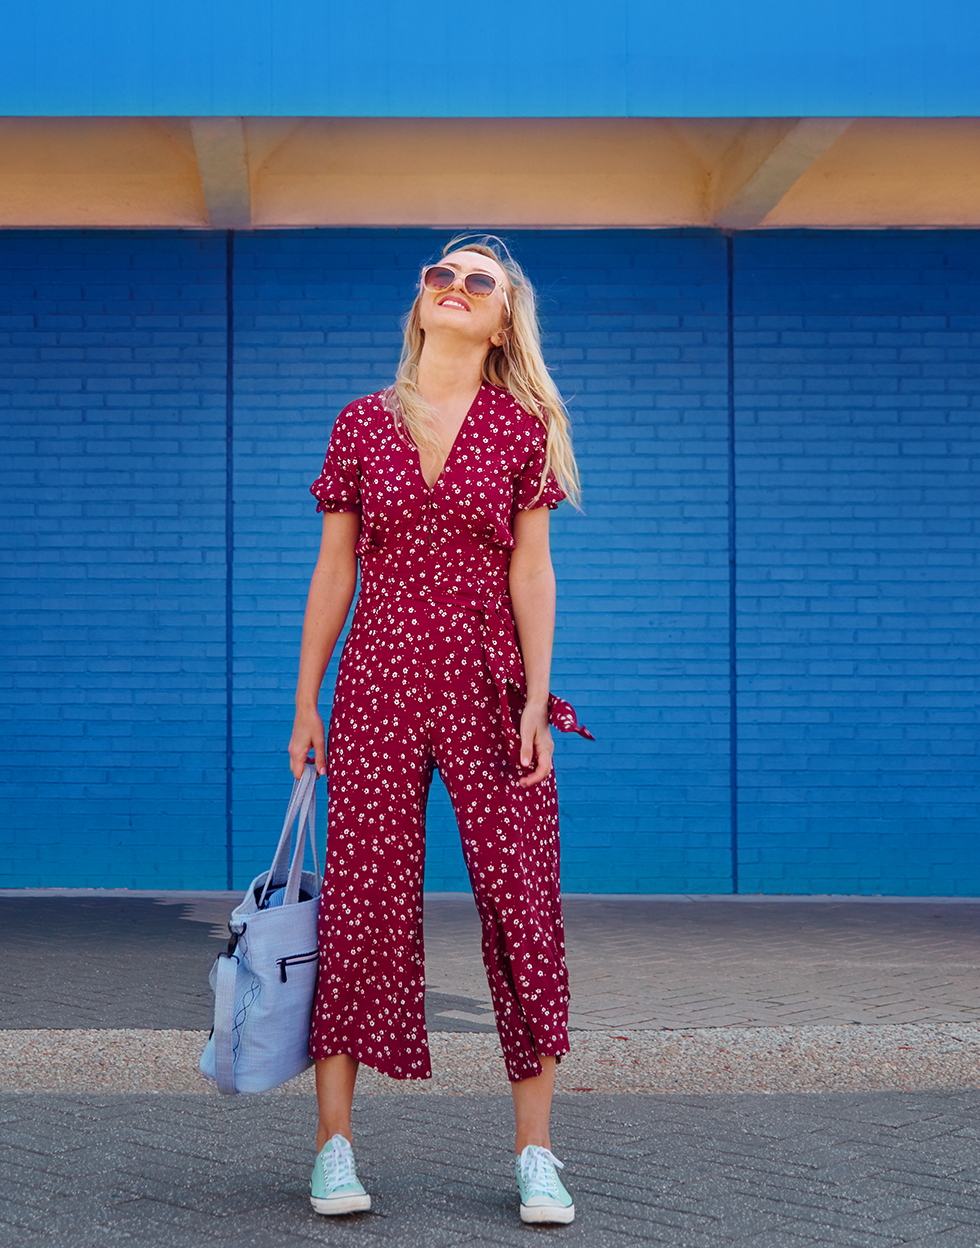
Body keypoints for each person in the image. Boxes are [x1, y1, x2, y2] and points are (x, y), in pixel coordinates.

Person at [286, 234, 593, 1225]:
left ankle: (536, 1154)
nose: (455, 289)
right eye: (441, 275)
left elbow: (531, 573)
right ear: (418, 302)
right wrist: (307, 698)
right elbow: (335, 570)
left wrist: (538, 701)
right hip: (374, 684)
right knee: (360, 903)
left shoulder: (520, 426)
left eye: (478, 281)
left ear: (503, 317)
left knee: (520, 904)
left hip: (486, 684)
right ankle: (333, 1146)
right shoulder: (359, 423)